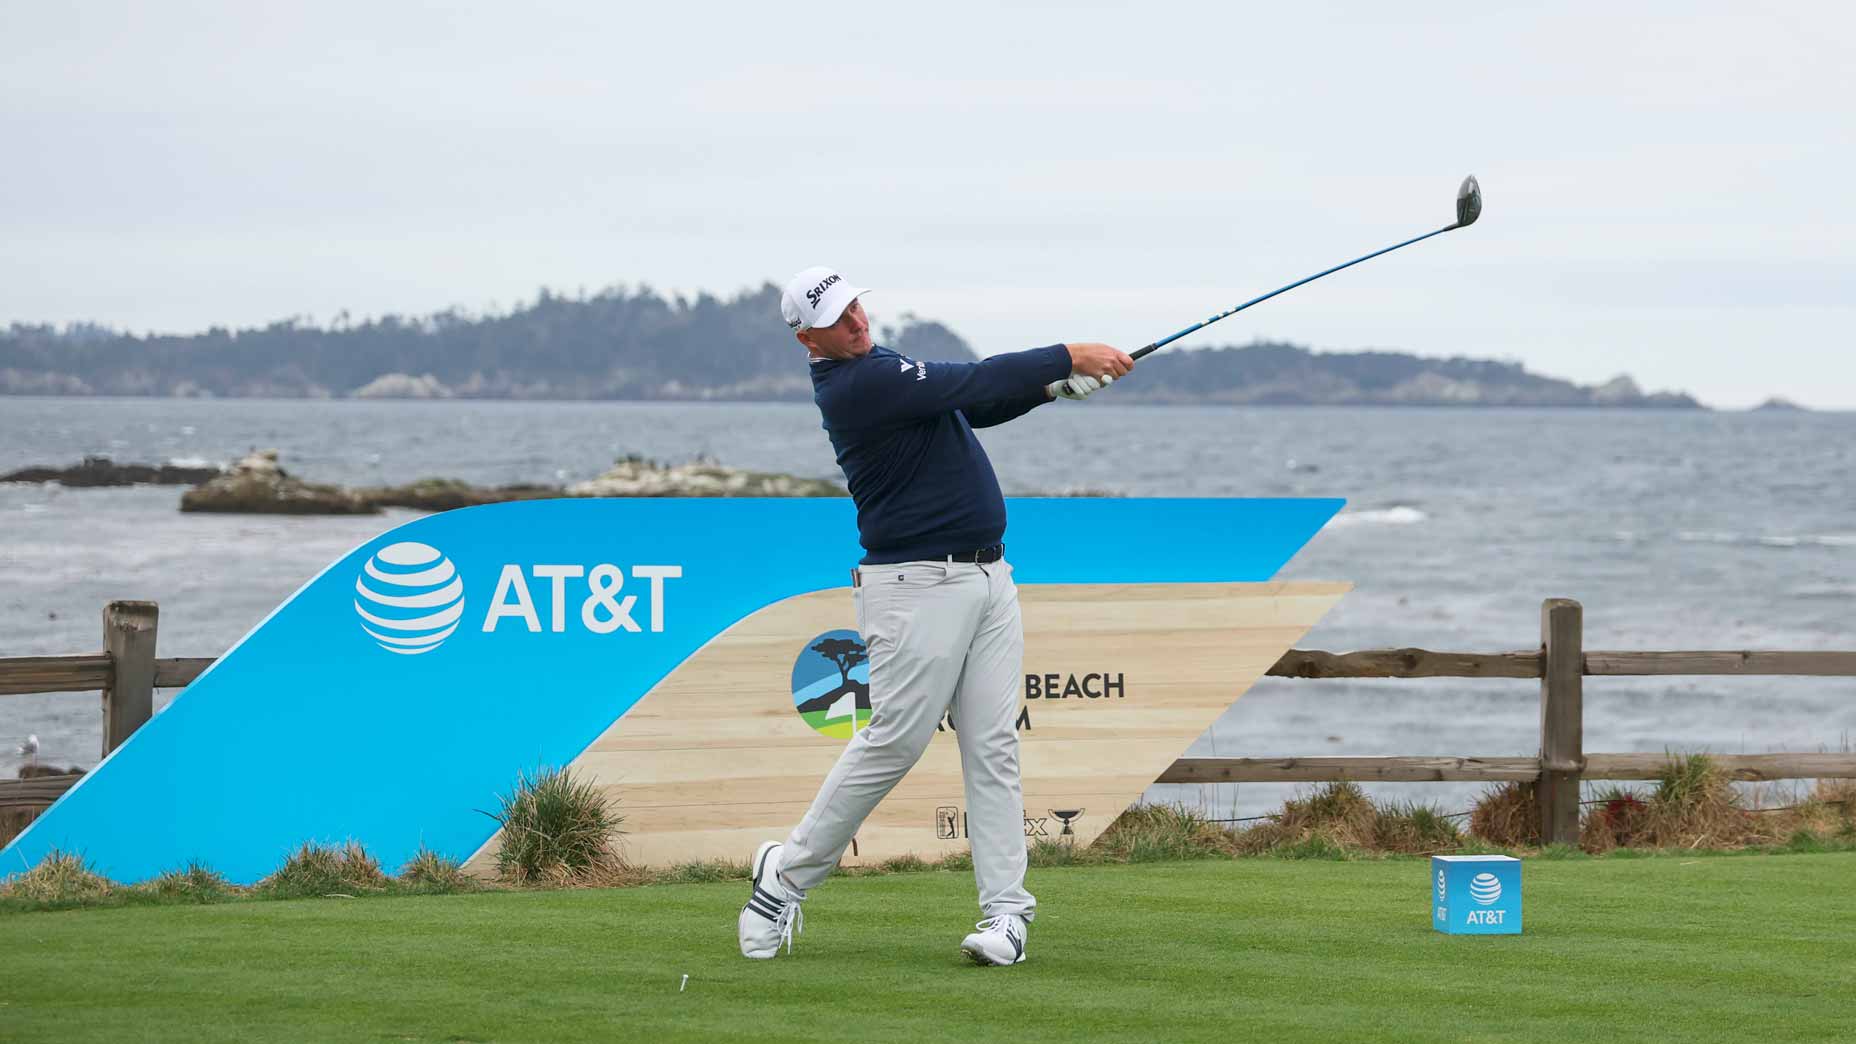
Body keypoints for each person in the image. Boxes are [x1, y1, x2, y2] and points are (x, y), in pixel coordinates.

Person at [738, 266, 1133, 966]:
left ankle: (1007, 916)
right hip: (913, 586)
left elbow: (974, 408)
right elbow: (974, 382)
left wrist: (1049, 389)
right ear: (808, 338)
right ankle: (785, 876)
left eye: (856, 305)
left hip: (988, 576)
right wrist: (1068, 357)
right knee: (894, 739)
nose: (858, 320)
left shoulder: (881, 366)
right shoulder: (858, 385)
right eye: (838, 317)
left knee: (993, 745)